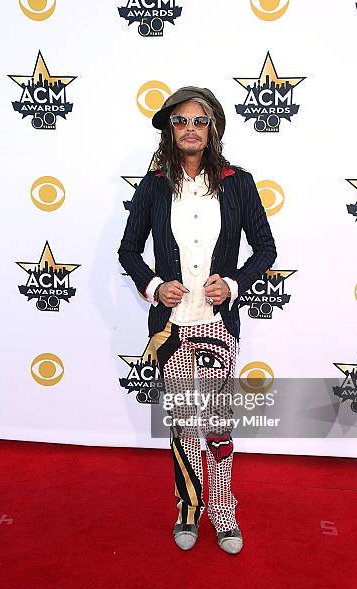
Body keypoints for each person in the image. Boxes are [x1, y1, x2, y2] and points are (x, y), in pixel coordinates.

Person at [118, 86, 277, 554]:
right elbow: (128, 251)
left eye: (199, 120)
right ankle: (188, 509)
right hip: (171, 327)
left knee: (218, 423)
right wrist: (152, 286)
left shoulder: (238, 183)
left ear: (213, 129)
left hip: (216, 324)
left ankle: (224, 511)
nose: (190, 128)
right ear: (170, 130)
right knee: (185, 422)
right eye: (180, 120)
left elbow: (265, 248)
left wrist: (233, 282)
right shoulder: (151, 187)